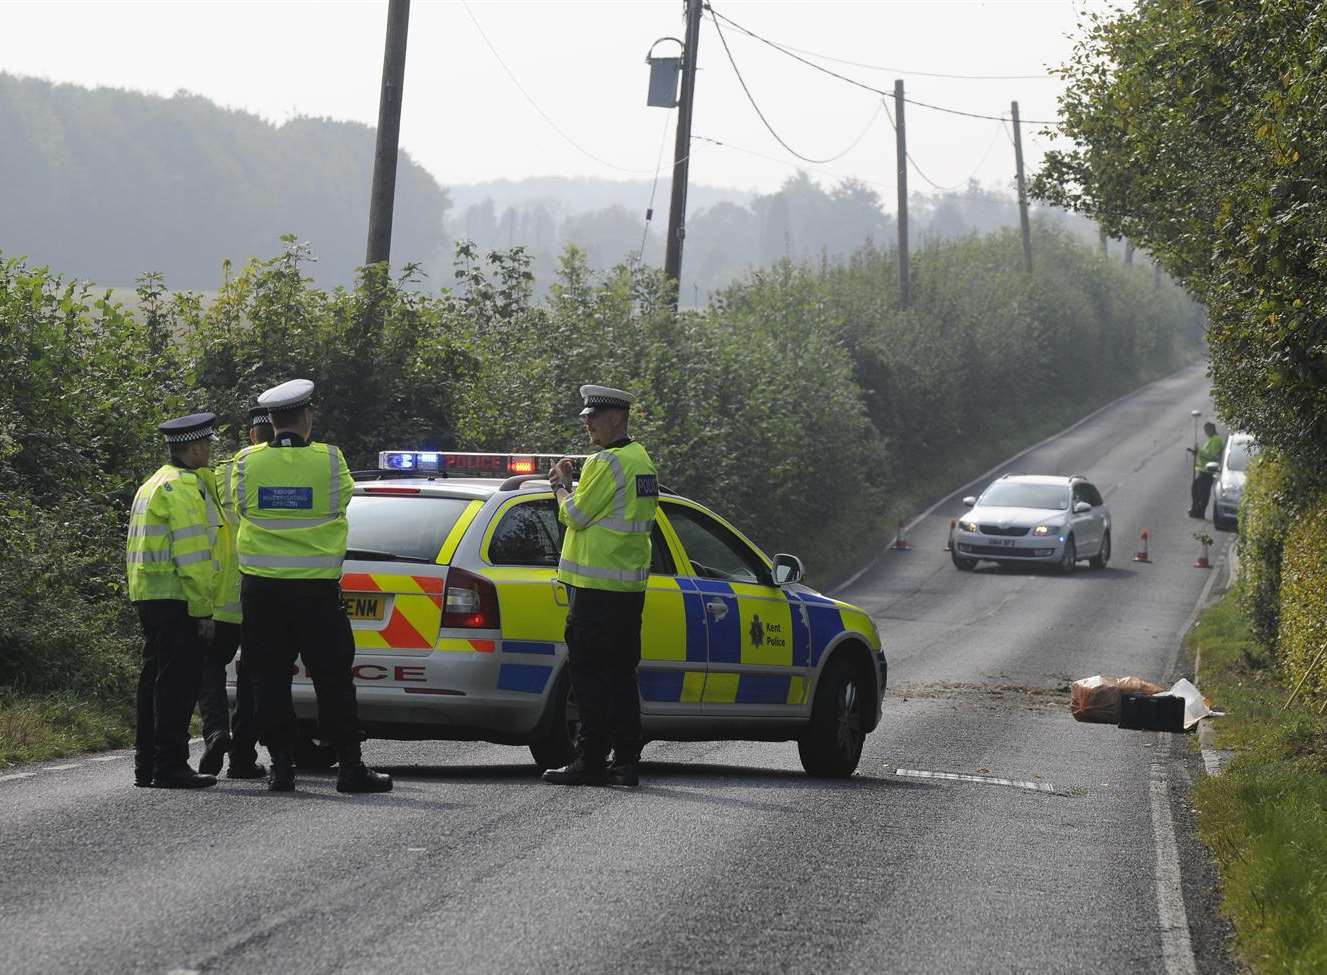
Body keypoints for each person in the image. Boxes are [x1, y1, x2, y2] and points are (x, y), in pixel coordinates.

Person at [232, 379, 391, 794]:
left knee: (269, 679)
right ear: (307, 417)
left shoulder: (246, 463)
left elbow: (243, 506)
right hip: (316, 593)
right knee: (333, 679)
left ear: (270, 420)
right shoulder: (330, 460)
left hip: (262, 591)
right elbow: (341, 501)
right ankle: (350, 768)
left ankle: (281, 767)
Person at [543, 385, 658, 788]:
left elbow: (573, 514)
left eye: (594, 416)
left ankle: (590, 760)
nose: (587, 422)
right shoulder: (640, 459)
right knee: (622, 677)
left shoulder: (605, 462)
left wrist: (561, 483)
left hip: (595, 589)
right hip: (628, 591)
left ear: (616, 418)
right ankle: (626, 762)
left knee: (589, 677)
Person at [126, 412, 221, 789]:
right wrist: (204, 610)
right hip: (177, 598)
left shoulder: (153, 483)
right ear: (195, 447)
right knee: (177, 686)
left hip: (149, 593)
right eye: (208, 445)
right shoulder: (182, 487)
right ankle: (171, 765)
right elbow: (193, 556)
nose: (210, 451)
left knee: (152, 681)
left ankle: (146, 764)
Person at [196, 406, 273, 779]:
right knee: (254, 675)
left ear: (250, 432)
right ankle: (243, 756)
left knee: (210, 663)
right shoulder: (286, 469)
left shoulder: (221, 471)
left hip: (219, 589)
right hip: (262, 587)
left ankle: (214, 729)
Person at [1188, 421, 1225, 519]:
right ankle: (1196, 508)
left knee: (1203, 492)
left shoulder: (1216, 440)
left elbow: (1211, 454)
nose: (1206, 432)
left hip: (1209, 470)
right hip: (1204, 469)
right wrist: (1196, 452)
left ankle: (1200, 511)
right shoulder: (1211, 439)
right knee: (1196, 489)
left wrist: (1199, 450)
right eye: (1205, 430)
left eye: (1207, 430)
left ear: (1212, 429)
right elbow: (1205, 453)